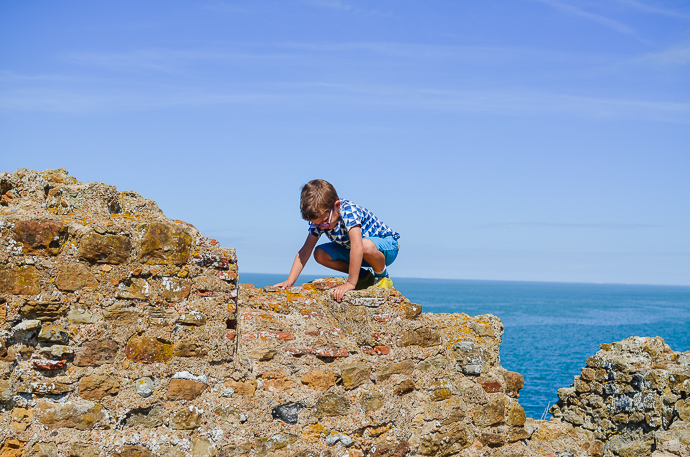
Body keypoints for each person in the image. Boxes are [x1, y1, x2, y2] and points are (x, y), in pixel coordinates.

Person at [274, 179, 400, 302]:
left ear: (337, 206)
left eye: (324, 221)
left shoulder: (349, 212)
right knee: (320, 254)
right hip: (356, 252)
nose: (322, 226)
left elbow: (357, 246)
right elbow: (305, 251)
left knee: (364, 245)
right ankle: (364, 277)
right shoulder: (320, 222)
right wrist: (289, 281)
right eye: (316, 224)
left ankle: (383, 276)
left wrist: (350, 283)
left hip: (385, 249)